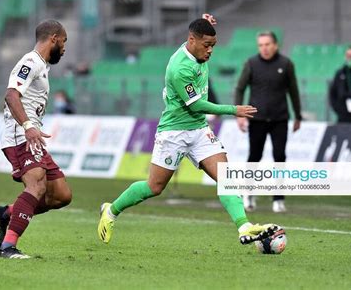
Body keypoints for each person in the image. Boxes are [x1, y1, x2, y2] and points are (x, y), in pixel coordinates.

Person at [97, 14, 279, 246]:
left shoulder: (196, 46)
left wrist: (205, 23)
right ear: (191, 40)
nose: (211, 50)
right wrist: (233, 110)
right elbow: (197, 105)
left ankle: (244, 226)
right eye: (207, 45)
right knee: (154, 187)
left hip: (199, 129)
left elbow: (199, 33)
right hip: (174, 132)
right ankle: (111, 211)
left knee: (226, 177)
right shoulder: (180, 68)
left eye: (213, 45)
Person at [0, 20, 72, 259]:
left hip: (31, 137)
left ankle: (6, 214)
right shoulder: (30, 62)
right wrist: (26, 126)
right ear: (54, 38)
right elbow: (11, 95)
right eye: (64, 42)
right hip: (20, 135)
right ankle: (7, 246)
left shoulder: (42, 66)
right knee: (36, 186)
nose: (64, 49)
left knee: (61, 195)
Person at [234, 31, 302, 213]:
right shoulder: (251, 64)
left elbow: (293, 91)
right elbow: (240, 89)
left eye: (267, 44)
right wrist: (239, 114)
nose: (264, 48)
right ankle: (249, 194)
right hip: (257, 119)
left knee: (280, 156)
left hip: (280, 118)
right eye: (260, 45)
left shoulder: (286, 64)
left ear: (275, 45)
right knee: (254, 157)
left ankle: (278, 198)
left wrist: (298, 115)